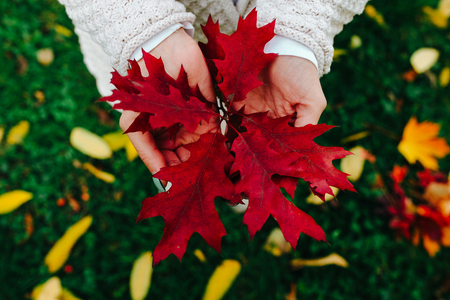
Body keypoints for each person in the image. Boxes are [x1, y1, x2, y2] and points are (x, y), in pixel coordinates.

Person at [58, 0, 368, 176]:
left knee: (242, 160)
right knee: (187, 141)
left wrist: (294, 38)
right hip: (134, 40)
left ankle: (244, 180)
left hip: (267, 63)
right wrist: (148, 37)